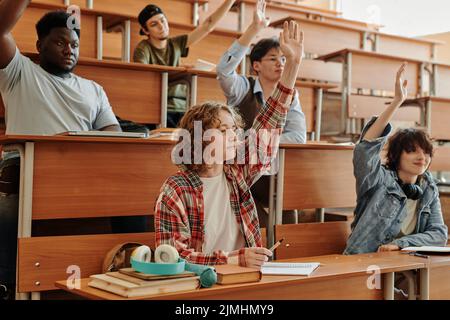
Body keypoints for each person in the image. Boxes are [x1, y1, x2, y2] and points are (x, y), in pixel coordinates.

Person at [155, 21, 304, 268]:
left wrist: (294, 65)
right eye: (224, 130)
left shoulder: (237, 173)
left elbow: (271, 119)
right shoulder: (175, 190)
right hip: (203, 287)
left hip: (245, 280)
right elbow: (173, 257)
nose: (235, 135)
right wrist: (235, 259)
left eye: (235, 129)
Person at [0, 0, 120, 299]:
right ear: (40, 45)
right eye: (60, 42)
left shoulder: (93, 89)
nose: (70, 50)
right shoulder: (19, 72)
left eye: (75, 44)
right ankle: (6, 284)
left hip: (78, 182)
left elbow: (112, 133)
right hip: (23, 179)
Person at [216, 0, 307, 227]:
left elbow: (298, 137)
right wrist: (253, 30)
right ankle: (265, 240)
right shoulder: (243, 89)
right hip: (244, 172)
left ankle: (288, 249)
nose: (280, 64)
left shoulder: (291, 95)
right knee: (243, 195)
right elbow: (224, 71)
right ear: (256, 65)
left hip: (275, 171)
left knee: (290, 196)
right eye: (273, 58)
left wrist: (259, 143)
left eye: (284, 58)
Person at [344, 62, 448, 255]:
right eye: (411, 151)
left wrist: (402, 243)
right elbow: (364, 150)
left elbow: (439, 234)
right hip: (365, 262)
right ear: (396, 155)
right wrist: (396, 102)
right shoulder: (379, 180)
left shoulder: (427, 188)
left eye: (426, 152)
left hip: (403, 263)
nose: (421, 157)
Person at [133, 1, 236, 127]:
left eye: (162, 20)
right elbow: (142, 78)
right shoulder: (143, 48)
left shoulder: (175, 44)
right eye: (154, 24)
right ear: (145, 30)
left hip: (184, 107)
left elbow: (208, 26)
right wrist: (178, 71)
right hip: (159, 108)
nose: (161, 26)